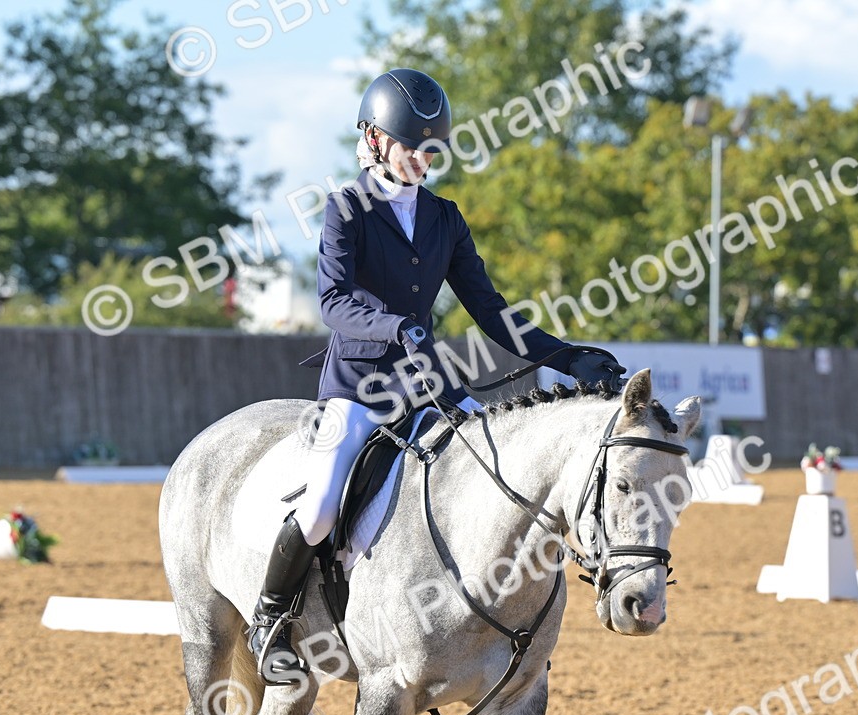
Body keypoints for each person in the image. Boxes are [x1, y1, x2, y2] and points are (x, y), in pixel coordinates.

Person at [247, 68, 626, 683]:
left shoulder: (445, 217)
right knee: (319, 506)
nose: (426, 158)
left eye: (433, 148)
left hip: (429, 386)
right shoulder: (347, 210)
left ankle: (489, 616)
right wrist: (396, 326)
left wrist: (566, 356)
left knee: (496, 471)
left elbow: (491, 310)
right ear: (373, 140)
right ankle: (271, 620)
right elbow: (333, 303)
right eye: (412, 146)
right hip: (358, 388)